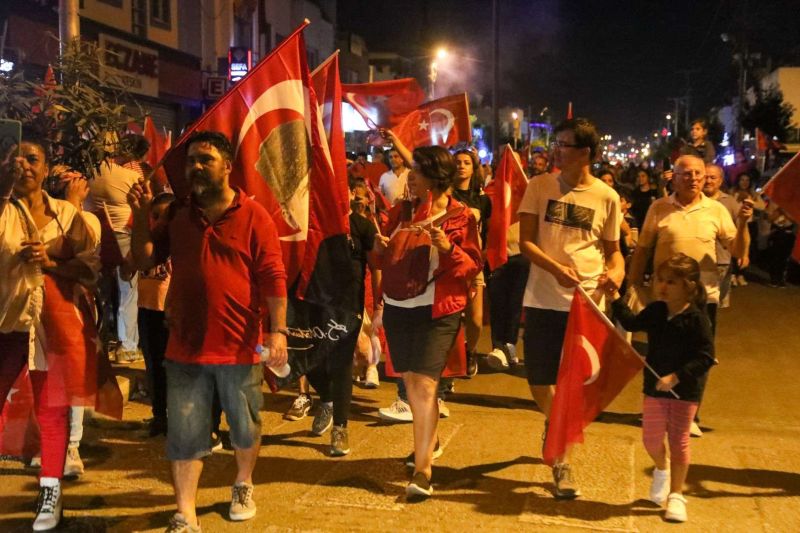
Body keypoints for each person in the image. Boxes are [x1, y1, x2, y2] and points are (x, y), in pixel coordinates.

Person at [128, 131, 288, 532]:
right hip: (185, 344)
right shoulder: (178, 215)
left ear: (228, 166)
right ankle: (185, 512)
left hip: (240, 346)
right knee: (184, 433)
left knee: (245, 426)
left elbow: (272, 276)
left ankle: (243, 482)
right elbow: (144, 259)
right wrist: (143, 213)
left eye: (206, 159)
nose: (196, 167)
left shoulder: (255, 216)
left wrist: (278, 331)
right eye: (191, 161)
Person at [518, 118, 625, 499]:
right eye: (556, 143)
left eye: (564, 145)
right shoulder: (539, 186)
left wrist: (615, 274)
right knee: (538, 378)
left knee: (575, 384)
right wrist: (556, 269)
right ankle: (557, 422)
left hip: (588, 303)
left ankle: (561, 460)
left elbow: (614, 252)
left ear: (586, 153)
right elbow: (526, 242)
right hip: (545, 296)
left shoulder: (606, 197)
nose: (556, 150)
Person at [0, 136, 102, 531]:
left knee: (52, 409)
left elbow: (90, 270)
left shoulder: (68, 214)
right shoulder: (4, 210)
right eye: (15, 158)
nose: (24, 164)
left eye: (32, 158)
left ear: (46, 169)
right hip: (7, 322)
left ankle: (50, 490)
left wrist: (51, 261)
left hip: (53, 325)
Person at [374, 145, 482, 501]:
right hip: (398, 306)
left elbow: (473, 266)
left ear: (434, 176)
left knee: (422, 385)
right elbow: (379, 258)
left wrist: (448, 249)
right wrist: (379, 245)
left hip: (439, 310)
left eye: (416, 170)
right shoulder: (400, 211)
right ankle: (429, 436)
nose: (411, 177)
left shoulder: (461, 217)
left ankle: (423, 471)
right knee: (410, 381)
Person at [609, 254, 715, 523]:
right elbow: (632, 323)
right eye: (660, 280)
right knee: (651, 438)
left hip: (685, 392)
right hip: (654, 387)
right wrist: (614, 298)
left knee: (679, 442)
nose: (662, 287)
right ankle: (661, 469)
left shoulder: (696, 319)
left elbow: (706, 357)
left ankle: (677, 495)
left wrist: (677, 376)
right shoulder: (656, 310)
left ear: (688, 286)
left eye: (671, 282)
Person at [629, 155, 751, 337]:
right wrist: (633, 285)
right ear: (674, 178)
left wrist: (742, 224)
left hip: (703, 295)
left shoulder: (716, 210)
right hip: (665, 295)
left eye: (698, 173)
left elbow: (736, 250)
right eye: (687, 173)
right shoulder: (659, 207)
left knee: (699, 354)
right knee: (663, 353)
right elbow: (643, 249)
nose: (693, 178)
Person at [304, 180, 381, 455]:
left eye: (343, 190)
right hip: (313, 302)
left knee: (340, 365)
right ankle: (326, 398)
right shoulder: (310, 223)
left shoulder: (361, 225)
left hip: (348, 307)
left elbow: (376, 265)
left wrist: (379, 303)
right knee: (307, 362)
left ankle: (340, 428)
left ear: (350, 194)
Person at [452, 148, 491, 376]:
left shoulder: (482, 199)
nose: (461, 165)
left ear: (473, 167)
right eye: (457, 161)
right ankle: (451, 361)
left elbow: (489, 232)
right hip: (451, 262)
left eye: (466, 162)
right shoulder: (446, 194)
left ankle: (470, 351)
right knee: (452, 317)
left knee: (475, 320)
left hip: (474, 263)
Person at [703, 164, 745, 306]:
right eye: (705, 177)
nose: (708, 181)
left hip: (721, 261)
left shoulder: (730, 202)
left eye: (713, 177)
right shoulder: (692, 200)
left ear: (720, 181)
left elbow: (742, 229)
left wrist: (744, 253)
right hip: (696, 262)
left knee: (714, 304)